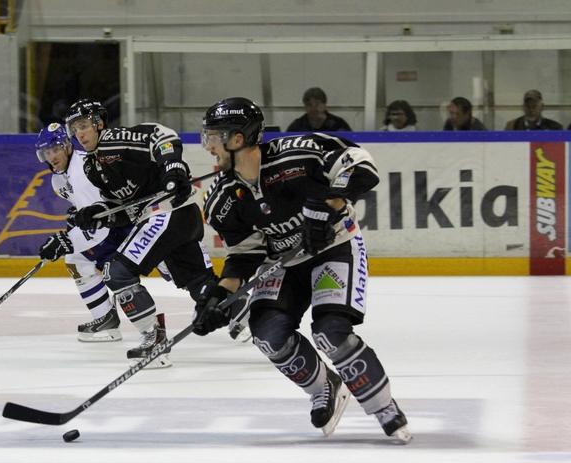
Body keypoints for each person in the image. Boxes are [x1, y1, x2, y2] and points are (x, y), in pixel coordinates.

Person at [195, 96, 411, 443]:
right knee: (267, 334)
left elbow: (361, 165)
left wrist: (329, 203)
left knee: (330, 331)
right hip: (283, 263)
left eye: (213, 137)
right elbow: (244, 254)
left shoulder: (298, 154)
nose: (208, 146)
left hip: (333, 246)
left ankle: (383, 407)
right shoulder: (222, 198)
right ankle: (325, 386)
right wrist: (220, 297)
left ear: (237, 138)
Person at [65, 98, 217, 368]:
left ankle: (153, 337)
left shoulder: (112, 140)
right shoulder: (92, 166)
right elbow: (123, 210)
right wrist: (96, 214)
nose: (80, 134)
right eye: (75, 129)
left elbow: (162, 135)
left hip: (167, 211)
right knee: (200, 284)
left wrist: (173, 166)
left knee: (117, 273)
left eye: (84, 126)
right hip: (178, 217)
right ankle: (252, 316)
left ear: (99, 123)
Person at [35, 122, 129, 342]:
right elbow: (87, 212)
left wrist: (68, 240)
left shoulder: (83, 169)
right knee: (77, 260)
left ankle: (107, 322)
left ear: (68, 146)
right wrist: (76, 218)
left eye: (56, 149)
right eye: (47, 152)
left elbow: (100, 220)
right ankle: (106, 321)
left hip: (122, 226)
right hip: (111, 229)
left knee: (172, 268)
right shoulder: (58, 180)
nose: (52, 157)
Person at [286, 87, 352, 133]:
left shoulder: (338, 125)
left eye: (317, 104)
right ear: (305, 107)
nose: (313, 108)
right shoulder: (297, 126)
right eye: (309, 105)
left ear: (324, 105)